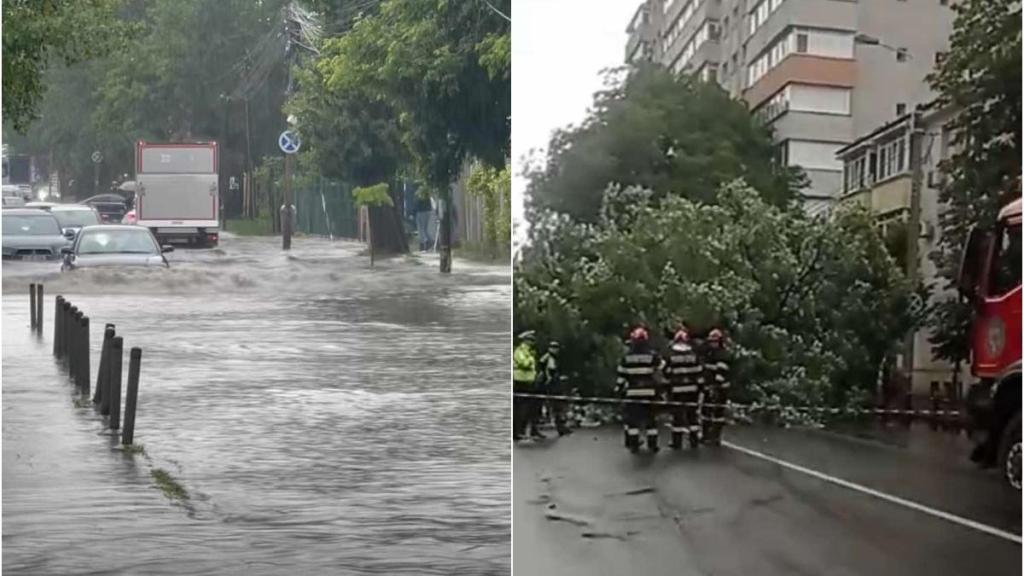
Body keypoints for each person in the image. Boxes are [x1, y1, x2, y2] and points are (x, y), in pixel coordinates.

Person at [616, 326, 662, 452]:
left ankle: (634, 445)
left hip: (633, 393)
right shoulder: (653, 357)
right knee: (651, 420)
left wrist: (618, 390)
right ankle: (653, 445)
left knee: (633, 421)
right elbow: (659, 373)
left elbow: (621, 377)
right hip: (650, 393)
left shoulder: (626, 357)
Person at [664, 326, 702, 449]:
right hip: (692, 391)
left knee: (677, 417)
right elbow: (699, 373)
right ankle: (694, 440)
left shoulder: (671, 356)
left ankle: (677, 442)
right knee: (692, 415)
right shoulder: (693, 356)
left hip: (677, 391)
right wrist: (700, 388)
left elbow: (667, 372)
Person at [700, 328, 731, 446]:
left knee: (718, 413)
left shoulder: (722, 354)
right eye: (711, 341)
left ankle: (715, 437)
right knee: (706, 412)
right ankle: (706, 435)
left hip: (720, 387)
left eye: (714, 341)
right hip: (710, 386)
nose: (712, 343)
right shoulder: (709, 352)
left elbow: (721, 372)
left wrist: (715, 387)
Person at [513, 330, 543, 441]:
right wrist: (530, 359)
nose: (532, 342)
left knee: (529, 408)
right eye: (530, 340)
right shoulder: (519, 351)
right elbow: (524, 363)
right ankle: (517, 432)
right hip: (520, 381)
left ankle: (524, 431)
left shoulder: (529, 352)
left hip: (529, 382)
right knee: (520, 409)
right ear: (525, 340)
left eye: (532, 340)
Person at [538, 341, 571, 437]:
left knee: (558, 407)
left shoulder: (552, 358)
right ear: (549, 348)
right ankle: (560, 427)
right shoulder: (548, 358)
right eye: (553, 347)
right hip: (550, 386)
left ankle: (561, 427)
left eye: (557, 347)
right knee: (556, 406)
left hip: (552, 385)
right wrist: (557, 379)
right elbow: (551, 371)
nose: (556, 349)